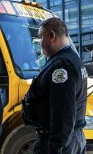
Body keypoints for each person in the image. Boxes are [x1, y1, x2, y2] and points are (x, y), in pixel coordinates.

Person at [22, 17, 88, 154]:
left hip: (59, 142)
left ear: (51, 36)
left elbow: (63, 112)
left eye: (41, 38)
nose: (39, 43)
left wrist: (55, 147)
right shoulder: (72, 59)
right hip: (70, 138)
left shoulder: (62, 66)